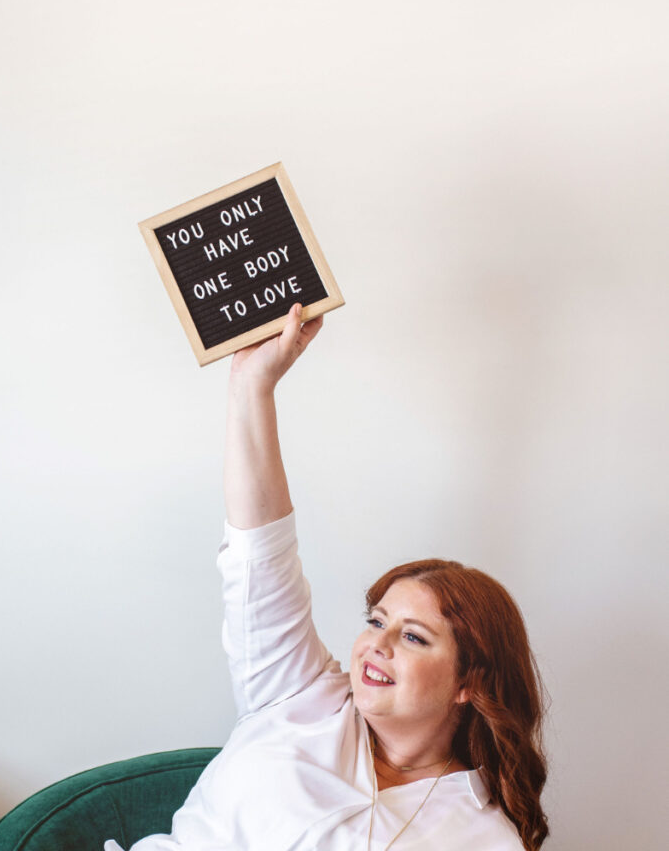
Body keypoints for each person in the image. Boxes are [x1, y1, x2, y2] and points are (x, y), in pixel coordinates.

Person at [105, 304, 548, 851]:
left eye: (413, 636)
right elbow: (260, 554)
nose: (374, 646)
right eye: (377, 621)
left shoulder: (485, 838)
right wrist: (252, 385)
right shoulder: (297, 693)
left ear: (469, 684)